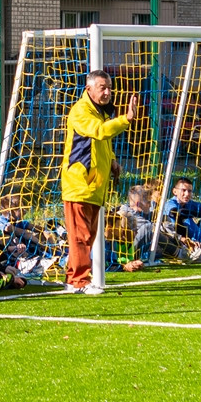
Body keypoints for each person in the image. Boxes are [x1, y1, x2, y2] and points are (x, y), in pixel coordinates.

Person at [60, 68, 139, 294]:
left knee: (88, 236)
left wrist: (112, 161)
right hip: (79, 184)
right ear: (89, 89)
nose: (107, 92)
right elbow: (99, 132)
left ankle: (74, 278)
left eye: (109, 88)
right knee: (80, 236)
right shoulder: (81, 111)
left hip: (95, 185)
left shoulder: (100, 111)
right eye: (102, 87)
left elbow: (100, 143)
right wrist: (125, 119)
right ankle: (79, 281)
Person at [162, 177, 201, 259]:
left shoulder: (190, 204)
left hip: (190, 234)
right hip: (174, 237)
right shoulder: (170, 203)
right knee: (187, 219)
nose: (187, 194)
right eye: (183, 190)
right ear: (175, 191)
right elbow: (177, 213)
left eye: (189, 191)